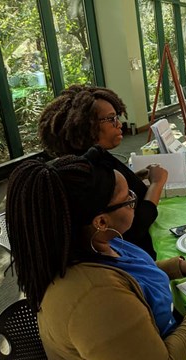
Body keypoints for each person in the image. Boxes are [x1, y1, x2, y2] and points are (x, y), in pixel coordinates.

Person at [6, 149, 186, 360]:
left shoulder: (94, 243)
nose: (135, 199)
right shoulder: (95, 298)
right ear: (101, 221)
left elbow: (128, 274)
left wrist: (179, 267)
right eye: (129, 199)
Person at [38, 85, 167, 259]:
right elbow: (135, 226)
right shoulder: (87, 173)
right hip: (132, 255)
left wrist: (134, 178)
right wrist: (157, 184)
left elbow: (107, 192)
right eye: (111, 118)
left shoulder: (96, 158)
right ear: (85, 125)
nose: (120, 124)